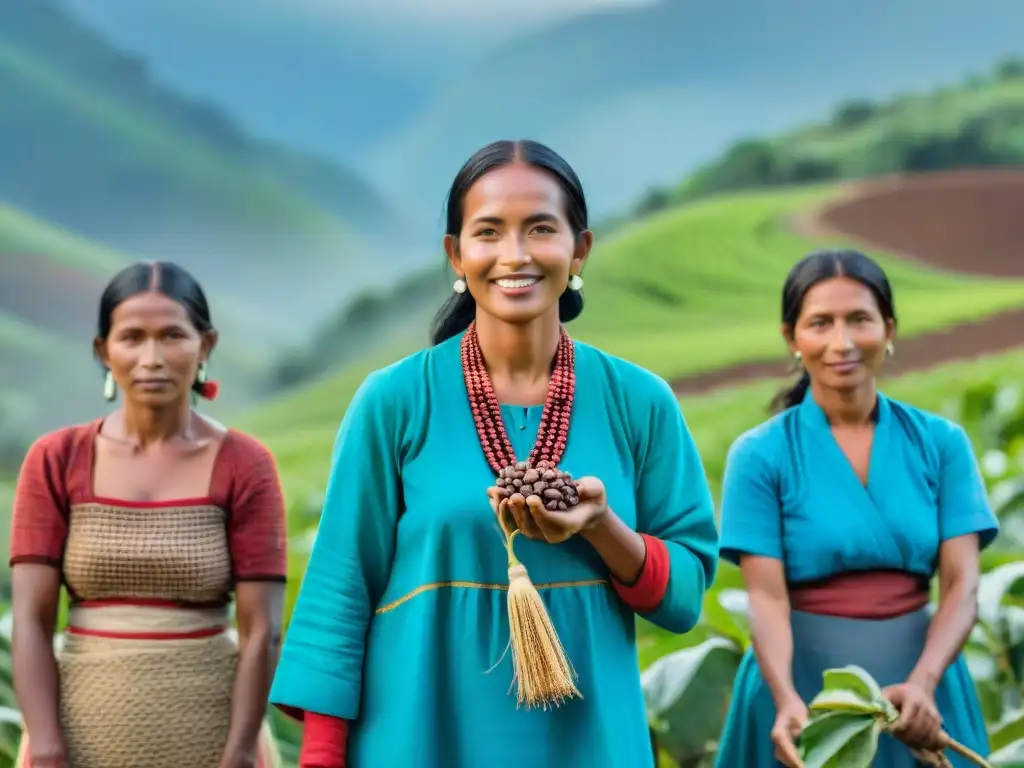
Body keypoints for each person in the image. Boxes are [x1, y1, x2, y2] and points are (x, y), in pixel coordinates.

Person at [269, 139, 720, 767]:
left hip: (586, 739)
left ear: (579, 249)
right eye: (489, 232)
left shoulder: (639, 402)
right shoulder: (395, 400)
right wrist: (321, 757)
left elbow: (685, 596)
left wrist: (601, 525)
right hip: (420, 735)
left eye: (540, 228)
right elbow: (341, 588)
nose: (516, 255)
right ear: (457, 253)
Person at [714, 249, 997, 768]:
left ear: (888, 329)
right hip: (802, 692)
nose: (841, 342)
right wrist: (786, 700)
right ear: (792, 338)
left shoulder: (941, 443)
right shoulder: (760, 455)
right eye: (820, 323)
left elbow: (963, 585)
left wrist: (925, 683)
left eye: (860, 320)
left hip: (923, 689)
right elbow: (766, 598)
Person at [10, 261, 288, 768]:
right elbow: (30, 620)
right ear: (104, 351)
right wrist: (47, 748)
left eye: (172, 336)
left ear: (205, 346)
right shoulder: (56, 459)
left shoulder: (246, 465)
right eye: (132, 337)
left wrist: (242, 752)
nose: (152, 358)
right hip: (78, 736)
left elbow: (262, 629)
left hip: (211, 734)